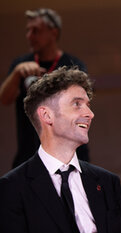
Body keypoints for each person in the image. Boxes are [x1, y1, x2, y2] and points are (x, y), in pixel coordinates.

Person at [0, 67, 121, 233]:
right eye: (77, 104)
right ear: (47, 116)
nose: (90, 114)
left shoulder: (107, 182)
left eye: (88, 105)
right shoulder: (12, 188)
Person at [0, 8, 89, 168]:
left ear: (53, 33)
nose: (29, 36)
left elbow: (81, 104)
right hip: (30, 154)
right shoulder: (20, 65)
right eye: (28, 31)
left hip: (69, 154)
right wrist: (16, 73)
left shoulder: (73, 65)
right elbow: (4, 99)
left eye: (36, 31)